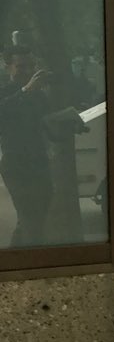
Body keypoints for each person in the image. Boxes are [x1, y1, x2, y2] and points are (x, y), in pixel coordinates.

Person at [0, 45, 53, 246]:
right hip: (16, 165)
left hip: (39, 162)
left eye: (31, 66)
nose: (28, 71)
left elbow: (46, 124)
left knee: (34, 219)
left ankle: (16, 261)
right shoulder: (6, 92)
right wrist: (25, 91)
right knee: (30, 218)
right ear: (8, 67)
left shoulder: (39, 95)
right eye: (21, 67)